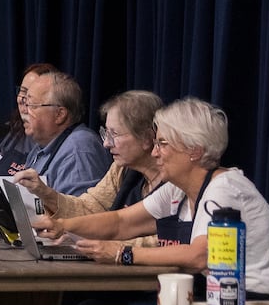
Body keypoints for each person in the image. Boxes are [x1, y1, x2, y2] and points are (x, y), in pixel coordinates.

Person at [35, 97, 269, 297]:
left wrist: (123, 254)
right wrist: (61, 225)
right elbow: (121, 222)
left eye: (162, 144)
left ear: (194, 151)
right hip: (206, 298)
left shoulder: (225, 189)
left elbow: (199, 256)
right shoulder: (176, 189)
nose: (154, 153)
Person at [16, 89, 164, 223]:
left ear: (146, 138)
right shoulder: (120, 169)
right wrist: (45, 192)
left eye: (115, 134)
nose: (106, 144)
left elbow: (160, 240)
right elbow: (88, 208)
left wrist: (109, 245)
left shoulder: (174, 180)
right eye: (106, 133)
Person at [18, 70, 110, 196]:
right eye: (25, 104)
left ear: (60, 114)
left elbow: (79, 213)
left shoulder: (78, 149)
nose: (24, 110)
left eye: (32, 105)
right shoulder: (40, 147)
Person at [0, 63, 58, 176]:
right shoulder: (9, 130)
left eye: (32, 96)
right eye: (23, 91)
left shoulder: (62, 146)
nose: (24, 100)